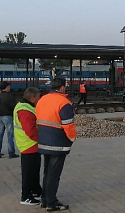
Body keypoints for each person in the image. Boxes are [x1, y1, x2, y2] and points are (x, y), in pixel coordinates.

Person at [37, 77, 76, 211]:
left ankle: (44, 199)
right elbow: (68, 124)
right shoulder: (64, 102)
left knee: (47, 172)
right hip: (58, 144)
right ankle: (51, 203)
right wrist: (72, 138)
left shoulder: (42, 100)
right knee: (54, 175)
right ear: (62, 88)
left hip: (43, 142)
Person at [15, 87, 44, 205]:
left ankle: (36, 191)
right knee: (29, 172)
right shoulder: (25, 110)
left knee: (34, 171)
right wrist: (43, 139)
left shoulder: (26, 107)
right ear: (32, 98)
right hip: (28, 144)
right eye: (38, 97)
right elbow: (30, 131)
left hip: (30, 145)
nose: (40, 99)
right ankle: (26, 196)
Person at [0, 82, 19, 159]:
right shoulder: (9, 96)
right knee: (10, 135)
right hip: (8, 116)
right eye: (8, 86)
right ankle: (11, 152)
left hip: (0, 118)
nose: (9, 88)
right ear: (6, 87)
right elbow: (14, 106)